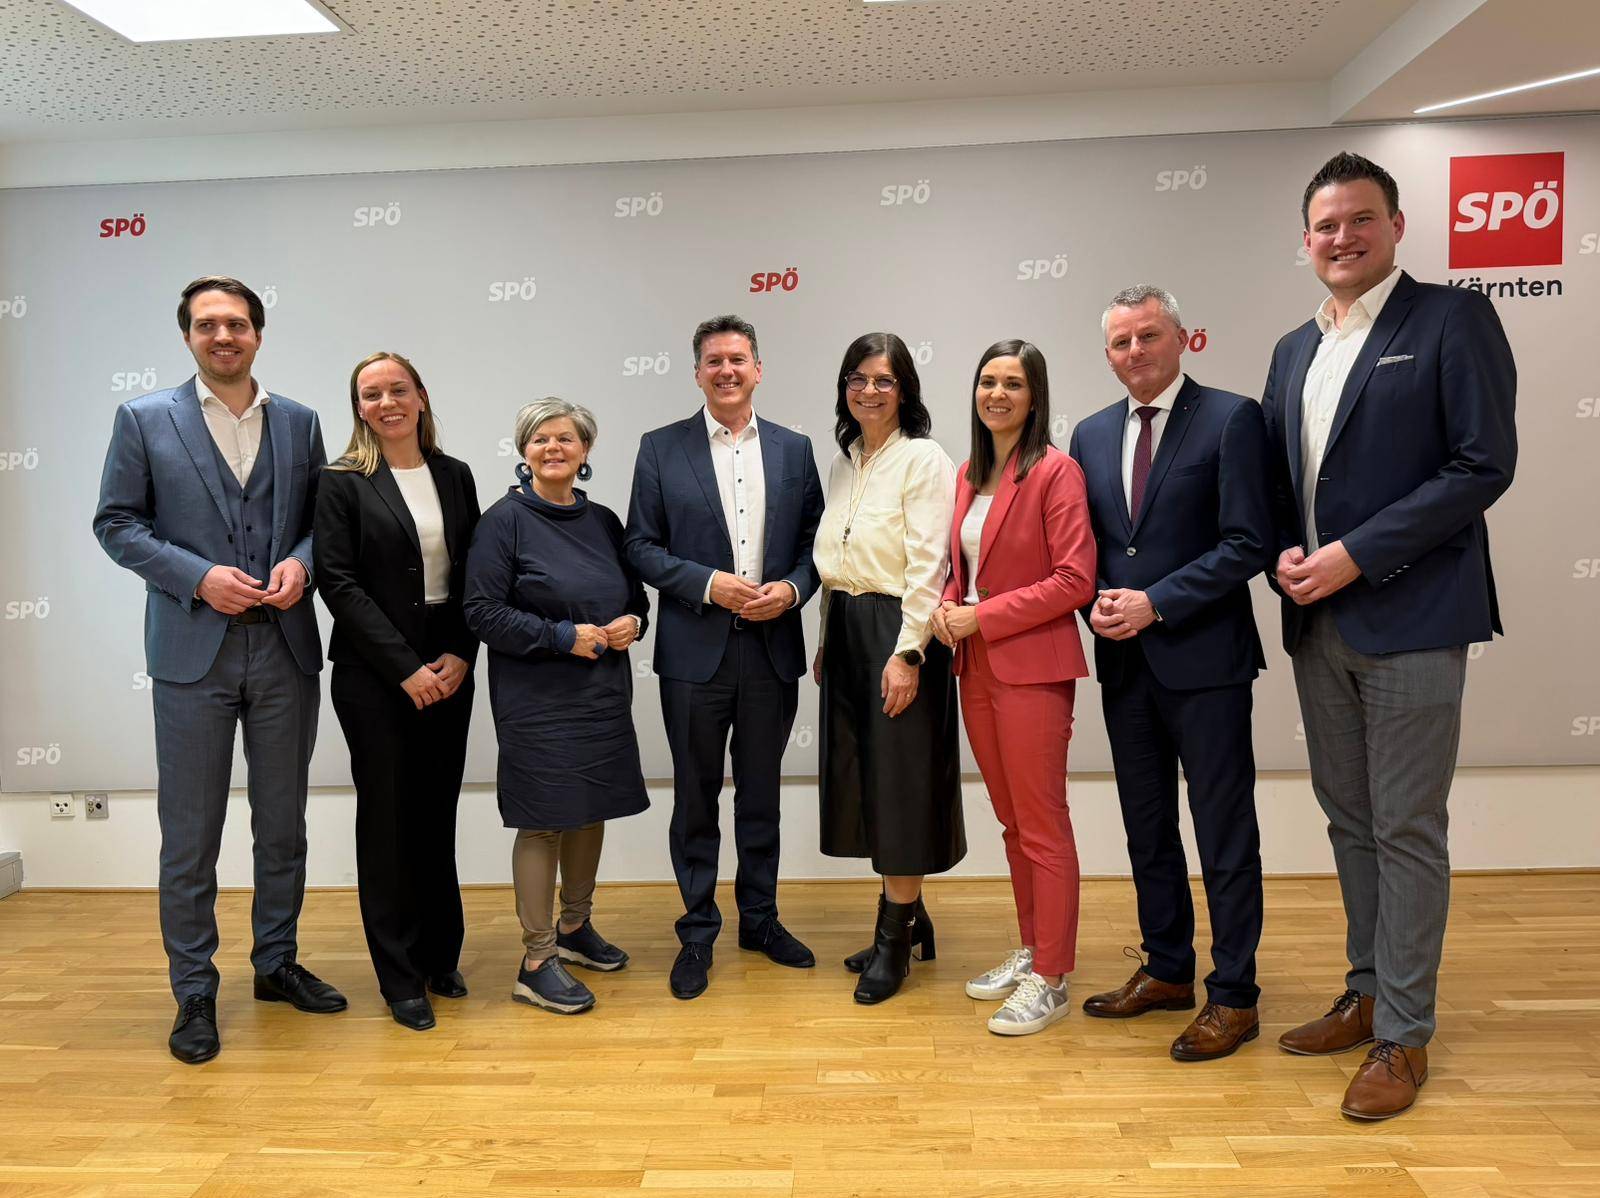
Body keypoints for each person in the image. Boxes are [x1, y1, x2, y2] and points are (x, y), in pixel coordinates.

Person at [1262, 152, 1516, 1119]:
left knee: (1408, 826)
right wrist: (1290, 555)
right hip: (1316, 617)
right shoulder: (1294, 349)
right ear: (1306, 239)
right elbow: (1291, 480)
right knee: (1350, 818)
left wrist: (1356, 555)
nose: (1342, 238)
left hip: (1412, 614)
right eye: (1325, 225)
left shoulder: (1453, 319)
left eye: (1360, 220)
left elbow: (1481, 464)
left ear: (1396, 226)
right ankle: (1367, 988)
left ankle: (1404, 1036)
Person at [93, 275, 344, 1065]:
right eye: (208, 325)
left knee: (283, 825)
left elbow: (319, 524)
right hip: (190, 651)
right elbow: (117, 523)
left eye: (237, 322)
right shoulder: (143, 418)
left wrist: (303, 565)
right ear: (189, 337)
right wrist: (197, 576)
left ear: (258, 335)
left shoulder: (300, 422)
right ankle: (194, 991)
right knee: (191, 834)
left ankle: (275, 965)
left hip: (285, 648)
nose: (223, 335)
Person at [1067, 287, 1274, 1061]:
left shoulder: (1231, 417)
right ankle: (1167, 970)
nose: (1134, 353)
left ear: (1182, 338)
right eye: (1120, 342)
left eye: (1147, 336)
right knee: (1147, 829)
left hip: (1207, 661)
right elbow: (1081, 551)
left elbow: (1248, 541)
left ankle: (1235, 994)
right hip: (1123, 664)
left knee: (1224, 833)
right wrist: (1097, 603)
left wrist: (1157, 601)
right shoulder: (1087, 434)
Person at [624, 315, 825, 1001]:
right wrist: (709, 585)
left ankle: (760, 920)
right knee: (695, 799)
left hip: (771, 652)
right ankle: (697, 932)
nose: (727, 370)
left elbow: (815, 549)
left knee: (761, 797)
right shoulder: (660, 449)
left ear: (758, 369)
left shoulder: (797, 451)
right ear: (698, 373)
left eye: (738, 359)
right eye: (713, 361)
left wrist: (794, 590)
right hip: (691, 656)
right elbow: (641, 548)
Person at [464, 399, 649, 1016]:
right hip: (536, 697)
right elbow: (482, 613)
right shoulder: (503, 522)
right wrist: (562, 636)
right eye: (540, 438)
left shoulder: (604, 521)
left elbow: (636, 599)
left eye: (566, 438)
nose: (553, 448)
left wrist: (632, 623)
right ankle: (536, 958)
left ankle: (574, 929)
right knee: (543, 820)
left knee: (589, 807)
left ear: (585, 451)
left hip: (600, 692)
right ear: (524, 450)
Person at [931, 340, 1095, 1034]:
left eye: (1013, 384)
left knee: (1043, 826)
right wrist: (947, 602)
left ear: (1035, 398)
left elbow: (1074, 579)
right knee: (1013, 824)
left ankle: (1052, 978)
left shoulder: (1057, 473)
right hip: (978, 669)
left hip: (1033, 669)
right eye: (988, 381)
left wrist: (980, 615)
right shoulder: (970, 472)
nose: (997, 393)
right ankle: (1034, 950)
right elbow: (962, 565)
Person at [313, 352, 480, 1032]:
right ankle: (400, 977)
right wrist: (404, 668)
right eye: (372, 393)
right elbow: (338, 582)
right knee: (388, 822)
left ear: (421, 396)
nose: (387, 402)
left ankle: (442, 955)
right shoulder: (341, 481)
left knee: (436, 816)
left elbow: (475, 573)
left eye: (398, 389)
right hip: (375, 677)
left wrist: (461, 654)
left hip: (450, 665)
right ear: (359, 407)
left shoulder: (456, 474)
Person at [815, 331, 962, 1006]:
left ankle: (894, 943)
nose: (868, 390)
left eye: (883, 380)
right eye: (857, 378)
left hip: (898, 634)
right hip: (847, 630)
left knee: (901, 785)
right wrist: (825, 637)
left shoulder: (924, 458)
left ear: (905, 390)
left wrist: (909, 654)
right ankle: (912, 915)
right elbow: (838, 557)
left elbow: (930, 564)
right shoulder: (846, 459)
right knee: (870, 780)